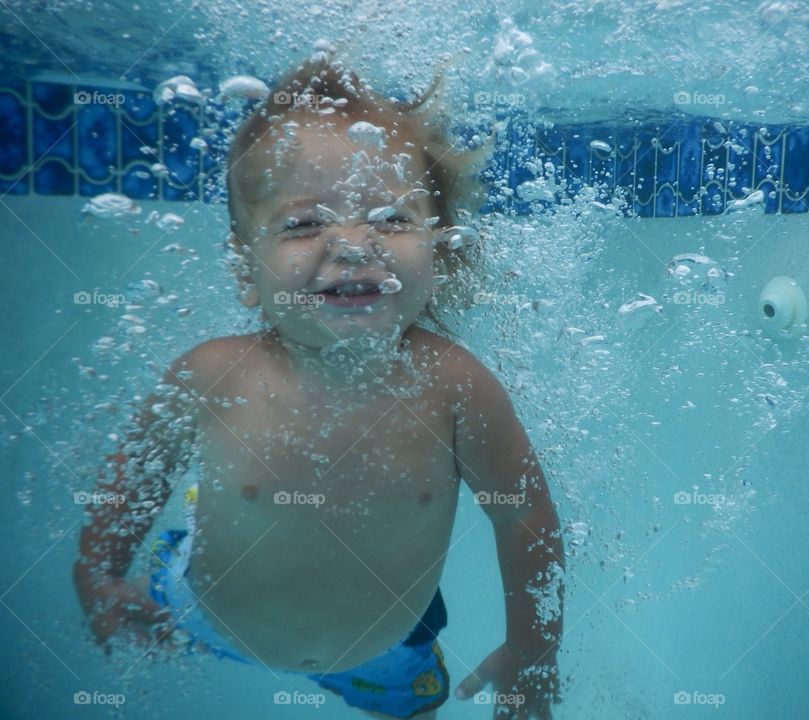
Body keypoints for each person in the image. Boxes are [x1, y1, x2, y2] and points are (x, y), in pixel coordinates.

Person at [73, 51, 564, 719]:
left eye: (392, 217)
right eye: (305, 224)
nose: (354, 245)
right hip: (199, 612)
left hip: (385, 655)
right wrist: (100, 575)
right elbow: (130, 487)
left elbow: (522, 512)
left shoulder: (453, 387)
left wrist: (533, 650)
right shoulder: (213, 376)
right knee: (194, 519)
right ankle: (205, 509)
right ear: (247, 267)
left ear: (440, 249)